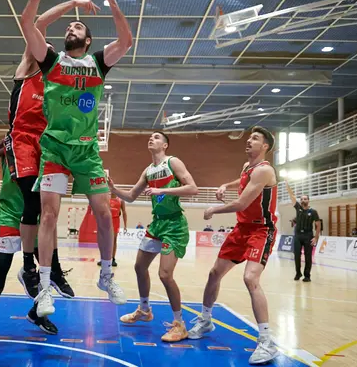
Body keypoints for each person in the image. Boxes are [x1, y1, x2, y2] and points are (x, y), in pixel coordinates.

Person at [20, 0, 133, 317]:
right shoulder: (50, 60)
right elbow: (29, 23)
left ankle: (105, 275)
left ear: (87, 40)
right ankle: (44, 286)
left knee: (103, 214)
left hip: (86, 152)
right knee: (49, 215)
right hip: (54, 147)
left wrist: (112, 1)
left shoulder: (99, 63)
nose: (71, 27)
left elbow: (127, 40)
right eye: (69, 26)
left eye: (77, 27)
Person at [0, 0, 81, 343]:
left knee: (44, 220)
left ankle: (38, 304)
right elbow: (37, 23)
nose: (46, 51)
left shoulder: (55, 86)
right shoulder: (29, 67)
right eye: (43, 47)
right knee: (8, 256)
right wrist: (74, 4)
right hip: (12, 198)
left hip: (43, 149)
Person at [191, 127, 279, 364]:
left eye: (255, 139)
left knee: (250, 278)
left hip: (261, 230)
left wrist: (214, 209)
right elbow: (242, 181)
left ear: (265, 147)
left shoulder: (264, 170)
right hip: (241, 230)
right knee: (214, 273)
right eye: (249, 137)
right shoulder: (247, 168)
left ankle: (266, 341)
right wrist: (225, 186)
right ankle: (206, 320)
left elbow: (241, 203)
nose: (249, 141)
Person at [109, 131, 198, 342]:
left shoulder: (173, 162)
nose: (152, 138)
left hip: (174, 225)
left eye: (157, 137)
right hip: (157, 224)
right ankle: (144, 310)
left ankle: (179, 325)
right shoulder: (148, 170)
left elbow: (193, 188)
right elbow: (131, 197)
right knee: (139, 267)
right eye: (150, 137)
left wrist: (164, 191)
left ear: (165, 145)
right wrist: (113, 188)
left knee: (165, 275)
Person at [0, 141, 58, 344]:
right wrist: (5, 142)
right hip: (10, 212)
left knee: (50, 267)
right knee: (1, 266)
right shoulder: (11, 143)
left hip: (37, 215)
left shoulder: (48, 142)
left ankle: (37, 313)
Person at [285, 183, 320, 282]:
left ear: (308, 200)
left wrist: (316, 237)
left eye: (305, 199)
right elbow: (292, 196)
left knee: (308, 256)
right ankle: (298, 273)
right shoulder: (298, 208)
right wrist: (287, 186)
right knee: (296, 255)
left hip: (308, 235)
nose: (303, 200)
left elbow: (318, 225)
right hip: (298, 235)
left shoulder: (313, 212)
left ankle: (307, 275)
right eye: (301, 199)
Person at [98, 185, 127, 267]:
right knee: (105, 240)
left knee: (113, 240)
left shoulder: (121, 200)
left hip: (116, 221)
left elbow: (124, 212)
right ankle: (104, 258)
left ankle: (113, 258)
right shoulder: (106, 199)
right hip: (107, 221)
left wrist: (125, 225)